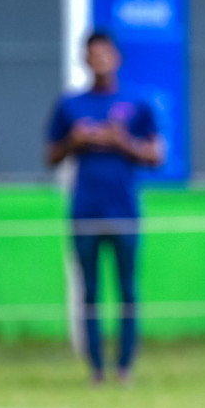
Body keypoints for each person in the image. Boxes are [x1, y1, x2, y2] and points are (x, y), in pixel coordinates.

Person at [45, 31, 164, 385]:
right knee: (90, 291)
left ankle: (124, 367)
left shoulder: (137, 104)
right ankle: (96, 368)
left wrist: (121, 141)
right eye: (92, 54)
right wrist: (73, 141)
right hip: (85, 209)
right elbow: (51, 155)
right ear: (84, 59)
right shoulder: (70, 105)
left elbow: (156, 155)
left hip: (124, 209)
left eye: (104, 53)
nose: (99, 59)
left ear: (116, 58)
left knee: (127, 289)